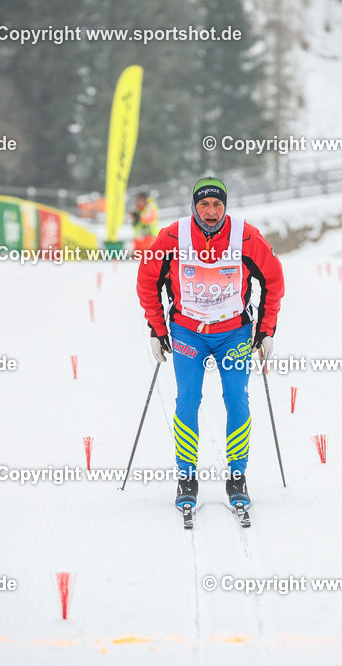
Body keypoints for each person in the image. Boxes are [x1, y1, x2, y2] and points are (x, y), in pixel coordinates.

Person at [136, 177, 284, 515]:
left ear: (225, 206)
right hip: (188, 332)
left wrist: (266, 330)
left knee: (236, 398)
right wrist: (157, 330)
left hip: (234, 333)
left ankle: (237, 476)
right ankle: (187, 478)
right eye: (204, 204)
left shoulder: (246, 236)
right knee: (188, 400)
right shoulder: (172, 236)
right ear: (194, 206)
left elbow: (273, 281)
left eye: (217, 204)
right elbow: (147, 281)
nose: (211, 211)